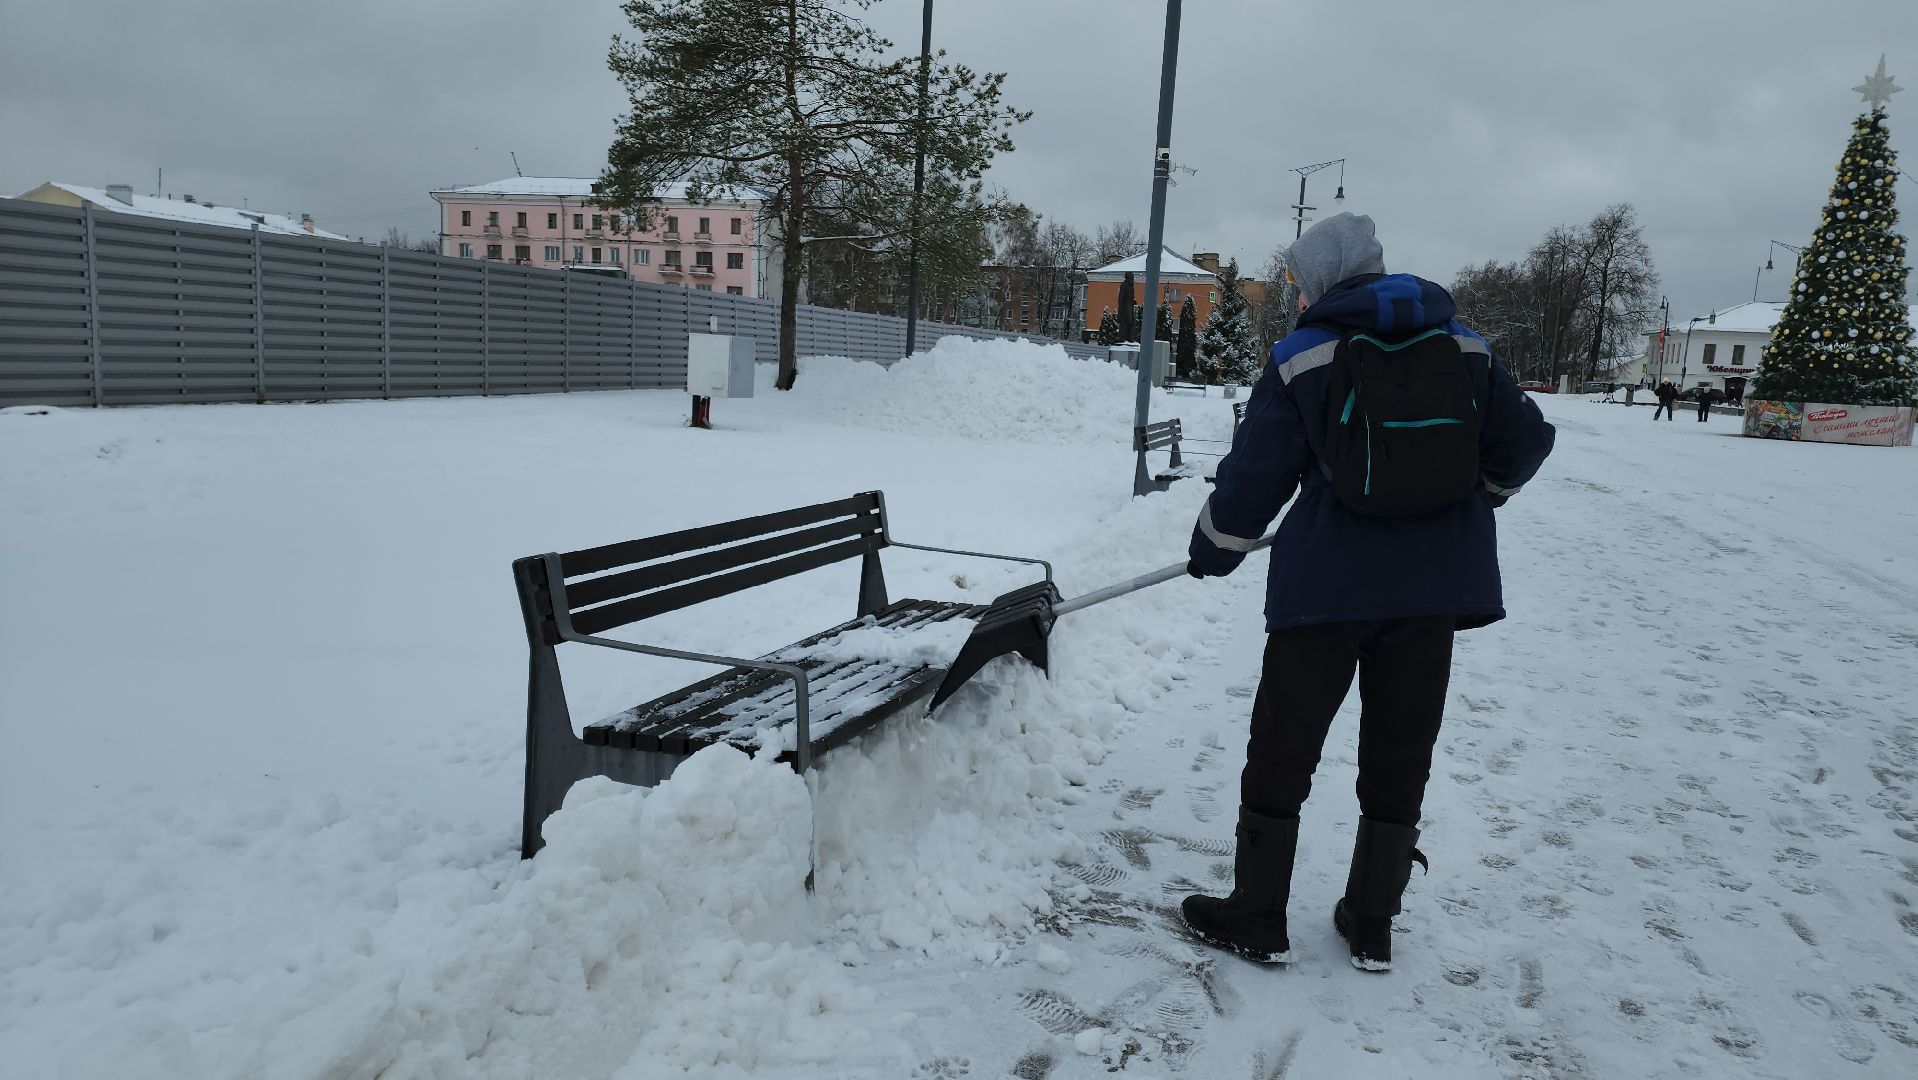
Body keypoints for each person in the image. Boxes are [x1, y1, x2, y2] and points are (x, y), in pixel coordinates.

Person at [1179, 213, 1555, 972]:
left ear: (1315, 280)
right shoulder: (1467, 344)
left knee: (1284, 745)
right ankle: (1373, 919)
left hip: (1326, 584)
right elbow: (1524, 442)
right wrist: (1479, 491)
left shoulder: (1302, 355)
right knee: (1399, 747)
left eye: (1295, 278)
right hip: (1434, 588)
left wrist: (1212, 551)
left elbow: (1255, 477)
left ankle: (1257, 913)